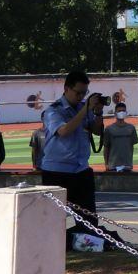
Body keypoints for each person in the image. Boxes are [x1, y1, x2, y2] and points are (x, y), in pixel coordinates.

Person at [41, 70, 106, 236]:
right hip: (57, 172)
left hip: (81, 170)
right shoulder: (53, 111)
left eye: (85, 93)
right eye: (78, 93)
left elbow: (97, 131)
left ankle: (85, 243)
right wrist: (85, 109)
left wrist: (98, 112)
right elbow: (63, 131)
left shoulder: (83, 107)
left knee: (89, 222)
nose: (81, 96)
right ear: (66, 88)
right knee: (54, 219)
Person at [103, 103, 138, 172]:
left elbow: (131, 146)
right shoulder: (109, 129)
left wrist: (130, 162)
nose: (121, 112)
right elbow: (106, 147)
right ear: (115, 113)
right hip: (113, 166)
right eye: (119, 111)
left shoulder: (131, 128)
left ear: (126, 112)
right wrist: (106, 164)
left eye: (123, 111)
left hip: (127, 166)